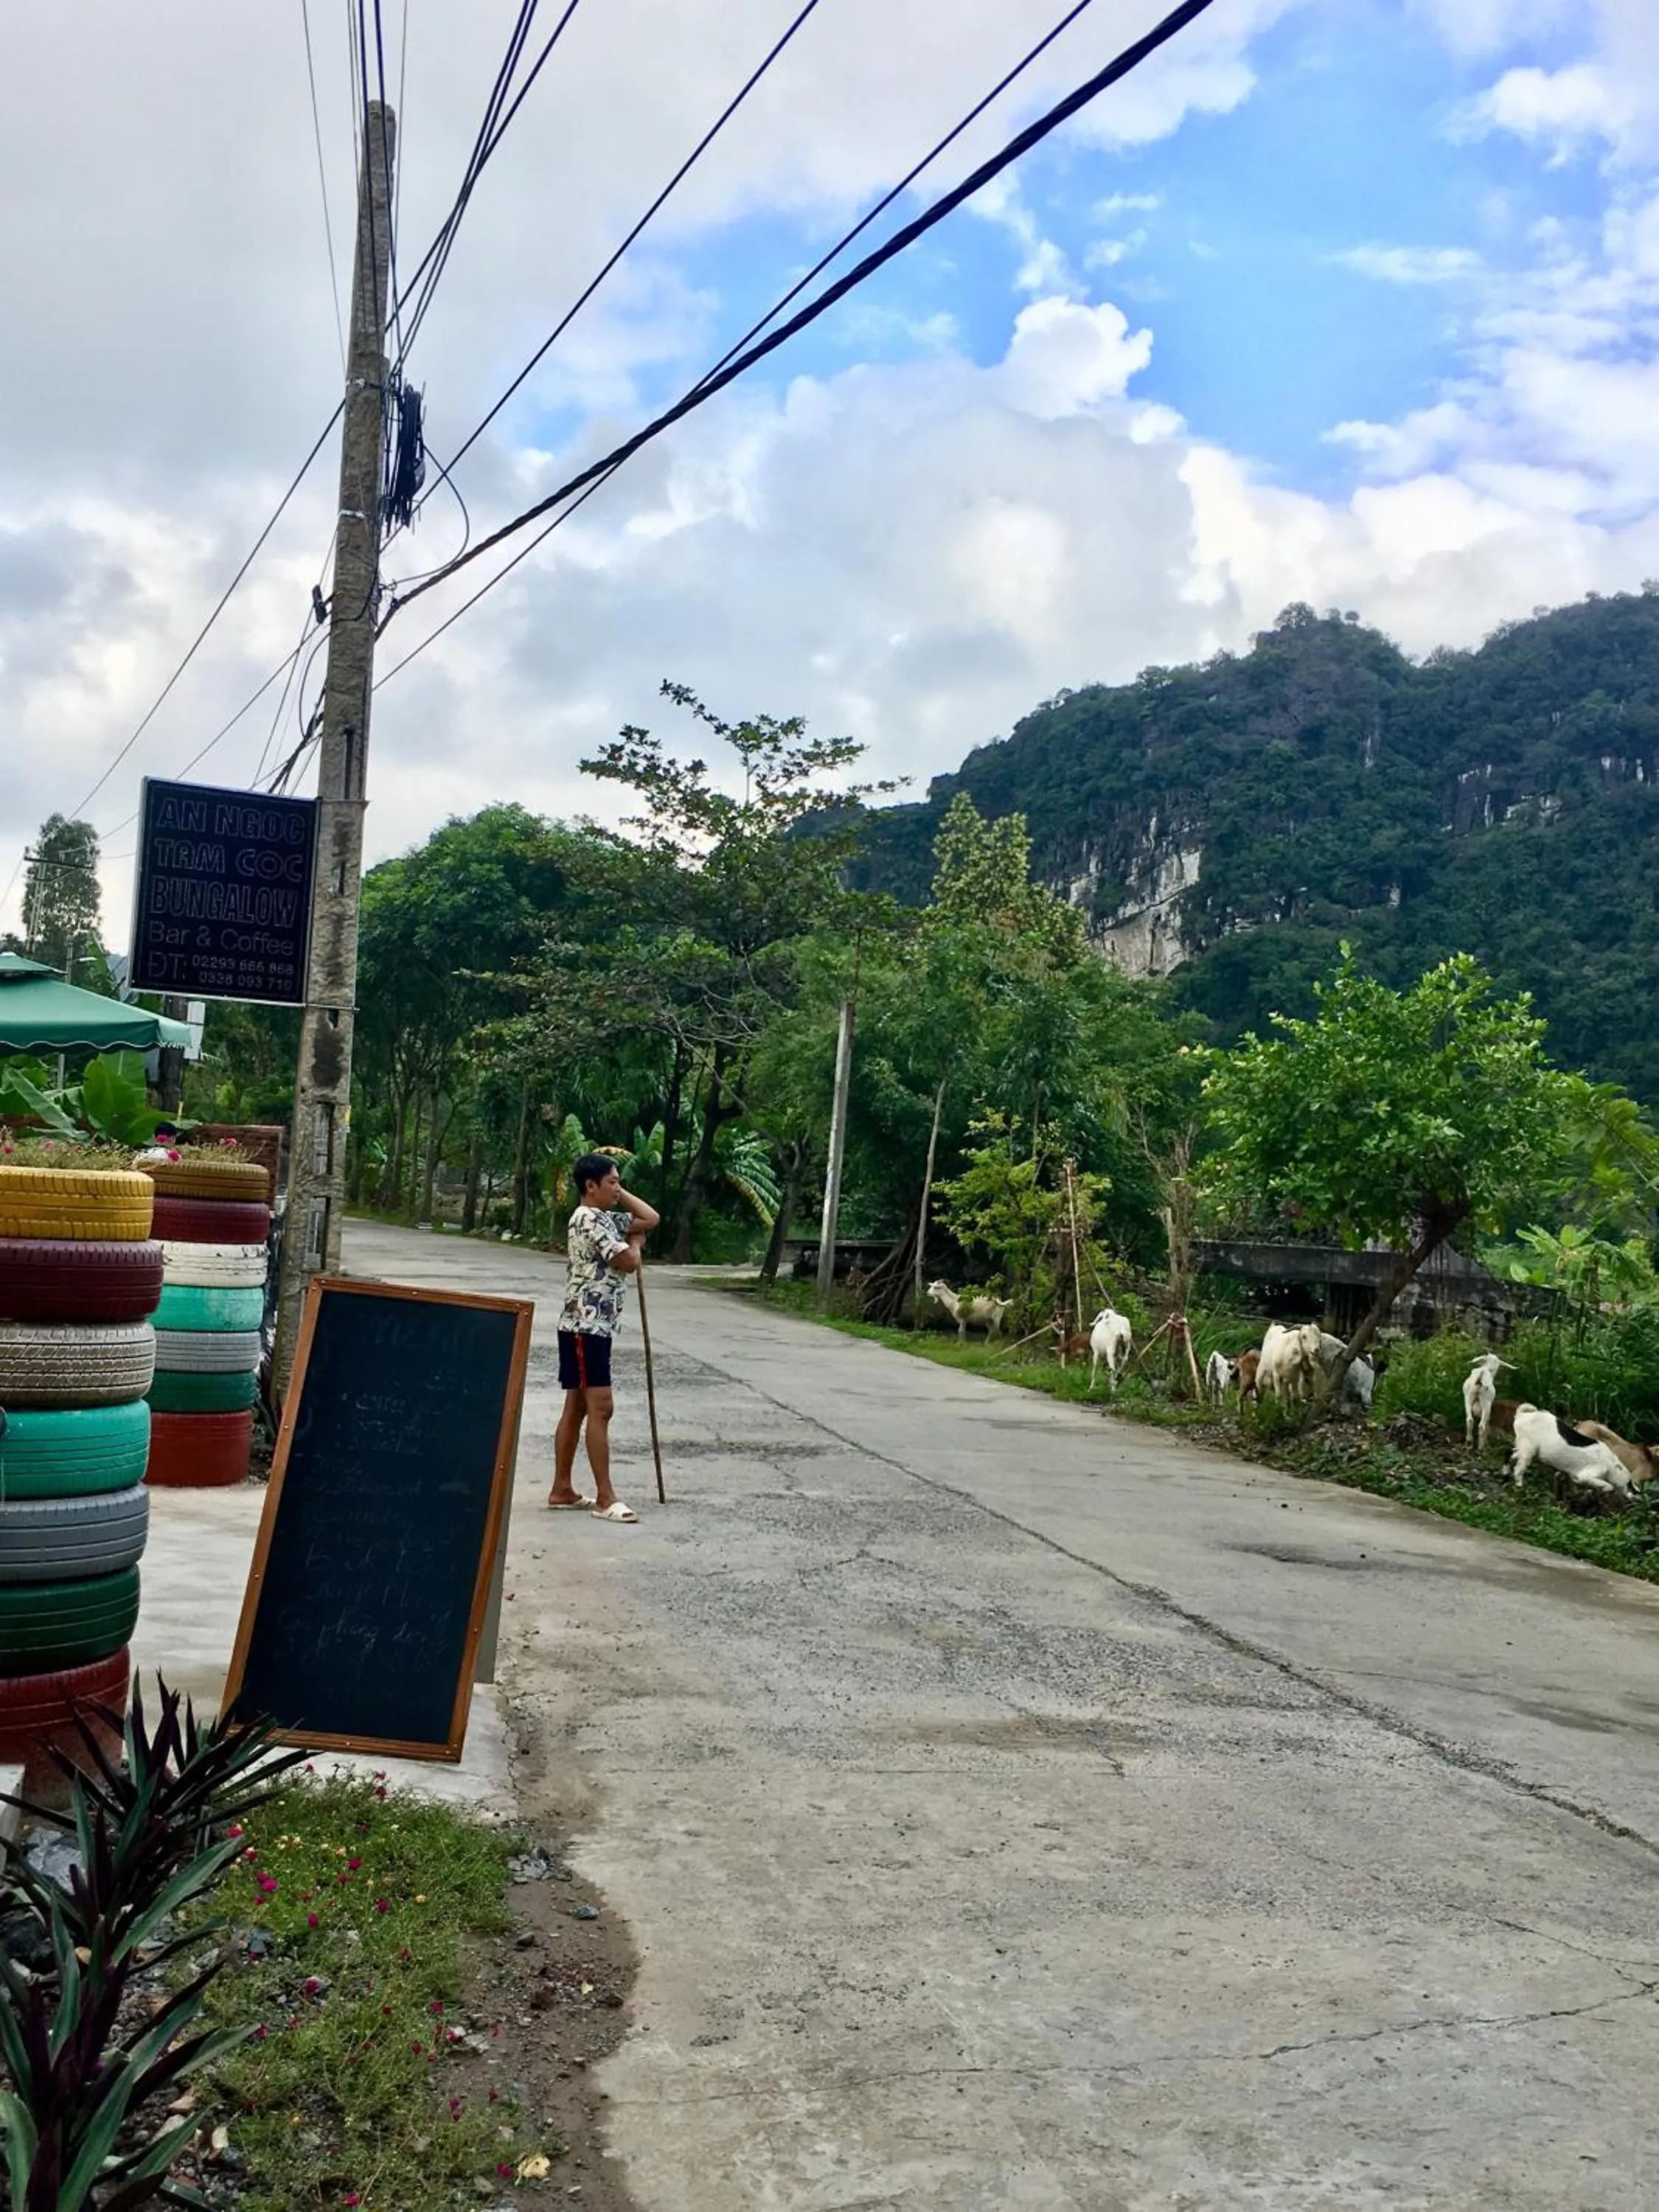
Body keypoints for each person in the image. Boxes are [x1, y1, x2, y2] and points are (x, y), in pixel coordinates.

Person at [549, 1152, 661, 1523]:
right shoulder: (588, 1219)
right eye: (610, 1182)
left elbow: (651, 1218)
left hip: (592, 1327)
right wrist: (637, 1245)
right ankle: (605, 1497)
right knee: (601, 1406)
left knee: (578, 1407)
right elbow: (628, 1261)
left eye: (618, 1181)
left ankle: (562, 1490)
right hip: (586, 1326)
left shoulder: (605, 1218)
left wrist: (620, 1193)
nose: (617, 1187)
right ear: (589, 1186)